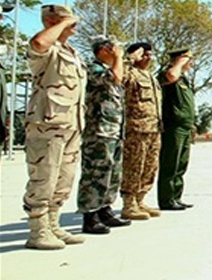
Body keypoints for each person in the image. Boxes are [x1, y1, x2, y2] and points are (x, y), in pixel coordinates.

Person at [21, 5, 87, 249]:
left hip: (71, 124)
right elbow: (38, 43)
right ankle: (38, 231)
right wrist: (60, 25)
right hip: (47, 125)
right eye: (68, 19)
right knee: (44, 178)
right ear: (51, 21)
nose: (74, 24)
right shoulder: (46, 49)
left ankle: (53, 225)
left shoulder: (72, 53)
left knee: (64, 180)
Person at [76, 39, 132, 233]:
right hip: (98, 131)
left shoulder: (112, 68)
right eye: (114, 48)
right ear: (103, 50)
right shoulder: (94, 68)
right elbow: (114, 78)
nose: (118, 51)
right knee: (95, 174)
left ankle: (105, 209)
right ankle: (90, 215)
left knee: (112, 173)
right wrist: (119, 57)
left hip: (114, 130)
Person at [120, 42, 164, 221]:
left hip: (154, 128)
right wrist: (129, 58)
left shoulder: (151, 77)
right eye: (144, 54)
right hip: (136, 129)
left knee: (150, 166)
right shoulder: (129, 72)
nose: (148, 57)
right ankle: (128, 203)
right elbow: (119, 76)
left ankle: (140, 199)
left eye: (150, 54)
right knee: (134, 166)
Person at [157, 47, 196, 211]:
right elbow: (171, 76)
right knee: (170, 164)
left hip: (185, 126)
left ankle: (176, 197)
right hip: (173, 125)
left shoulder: (183, 79)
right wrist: (179, 63)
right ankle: (166, 200)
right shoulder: (167, 74)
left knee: (181, 164)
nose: (191, 63)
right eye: (188, 59)